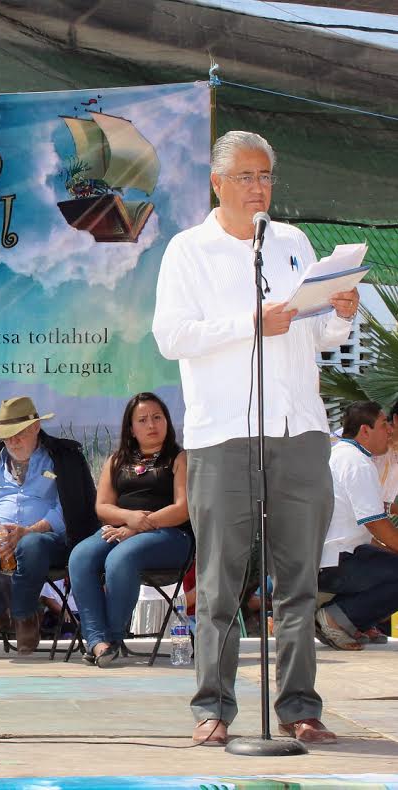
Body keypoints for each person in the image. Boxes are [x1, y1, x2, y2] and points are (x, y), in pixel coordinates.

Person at [153, 130, 360, 745]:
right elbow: (172, 336)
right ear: (216, 183)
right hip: (226, 435)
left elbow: (314, 336)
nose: (258, 188)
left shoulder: (292, 242)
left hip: (300, 432)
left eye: (265, 175)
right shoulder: (188, 251)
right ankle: (212, 708)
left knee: (299, 584)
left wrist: (339, 313)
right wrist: (250, 323)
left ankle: (299, 707)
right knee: (220, 583)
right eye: (244, 176)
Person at [0, 396, 99, 654]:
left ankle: (24, 616)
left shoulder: (62, 458)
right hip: (0, 542)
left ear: (36, 427)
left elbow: (70, 508)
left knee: (32, 544)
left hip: (48, 542)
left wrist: (29, 531)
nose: (12, 441)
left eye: (19, 433)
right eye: (6, 435)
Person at [68, 392, 193, 667]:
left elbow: (183, 509)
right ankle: (97, 641)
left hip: (170, 536)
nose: (151, 425)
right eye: (143, 420)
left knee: (121, 557)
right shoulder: (116, 460)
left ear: (167, 422)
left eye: (157, 417)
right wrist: (128, 518)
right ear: (131, 428)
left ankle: (112, 638)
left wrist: (137, 528)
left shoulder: (179, 458)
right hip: (122, 531)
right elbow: (102, 507)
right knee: (80, 556)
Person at [316, 401, 398, 650]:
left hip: (336, 557)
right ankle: (335, 619)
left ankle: (352, 621)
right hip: (336, 561)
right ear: (365, 430)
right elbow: (375, 523)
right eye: (384, 425)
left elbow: (365, 529)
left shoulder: (346, 455)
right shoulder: (357, 463)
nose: (389, 431)